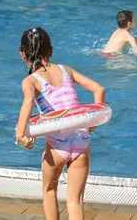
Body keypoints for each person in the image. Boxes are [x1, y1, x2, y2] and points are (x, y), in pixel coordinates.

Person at [14, 27, 106, 220]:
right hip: (81, 140)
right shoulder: (66, 70)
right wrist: (94, 121)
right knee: (75, 201)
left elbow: (29, 101)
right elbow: (99, 89)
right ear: (51, 50)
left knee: (49, 191)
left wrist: (21, 134)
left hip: (57, 144)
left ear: (22, 54)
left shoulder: (30, 81)